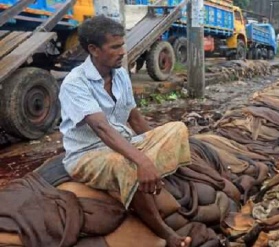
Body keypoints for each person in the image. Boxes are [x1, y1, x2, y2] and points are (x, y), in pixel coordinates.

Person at [59, 16, 192, 247]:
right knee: (125, 164)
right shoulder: (75, 83)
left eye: (122, 44)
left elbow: (135, 118)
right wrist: (142, 159)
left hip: (126, 142)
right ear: (94, 49)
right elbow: (102, 128)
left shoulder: (120, 74)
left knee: (177, 128)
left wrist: (152, 144)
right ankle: (166, 232)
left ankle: (145, 176)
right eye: (115, 47)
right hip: (89, 154)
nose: (123, 51)